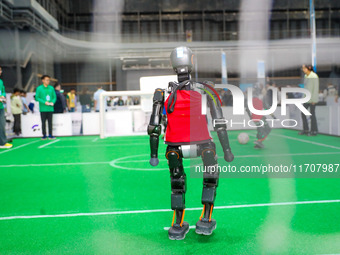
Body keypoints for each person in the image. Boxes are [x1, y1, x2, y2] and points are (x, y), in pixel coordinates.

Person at [148, 47, 234, 240]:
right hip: (202, 143)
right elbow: (219, 122)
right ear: (192, 61)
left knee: (176, 180)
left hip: (174, 146)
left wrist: (153, 155)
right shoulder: (206, 89)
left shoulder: (162, 94)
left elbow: (154, 127)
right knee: (211, 171)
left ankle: (177, 225)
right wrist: (227, 150)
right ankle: (205, 219)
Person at [299, 64, 319, 136]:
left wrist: (314, 99)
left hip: (312, 99)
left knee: (312, 114)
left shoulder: (314, 76)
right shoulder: (305, 76)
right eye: (302, 68)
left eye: (304, 68)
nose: (303, 69)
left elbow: (315, 88)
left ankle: (314, 131)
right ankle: (306, 129)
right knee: (303, 113)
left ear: (309, 68)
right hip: (306, 99)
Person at [35, 75, 56, 140]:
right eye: (46, 80)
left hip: (50, 108)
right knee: (43, 122)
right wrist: (44, 102)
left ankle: (50, 134)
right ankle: (44, 135)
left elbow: (54, 97)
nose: (48, 81)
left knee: (50, 122)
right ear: (43, 80)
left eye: (49, 80)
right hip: (43, 108)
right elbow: (37, 97)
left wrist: (52, 102)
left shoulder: (51, 88)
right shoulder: (39, 88)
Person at [0, 66, 13, 148]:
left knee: (2, 125)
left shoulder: (1, 81)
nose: (0, 72)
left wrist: (3, 96)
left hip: (1, 107)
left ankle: (2, 143)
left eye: (0, 70)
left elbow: (3, 91)